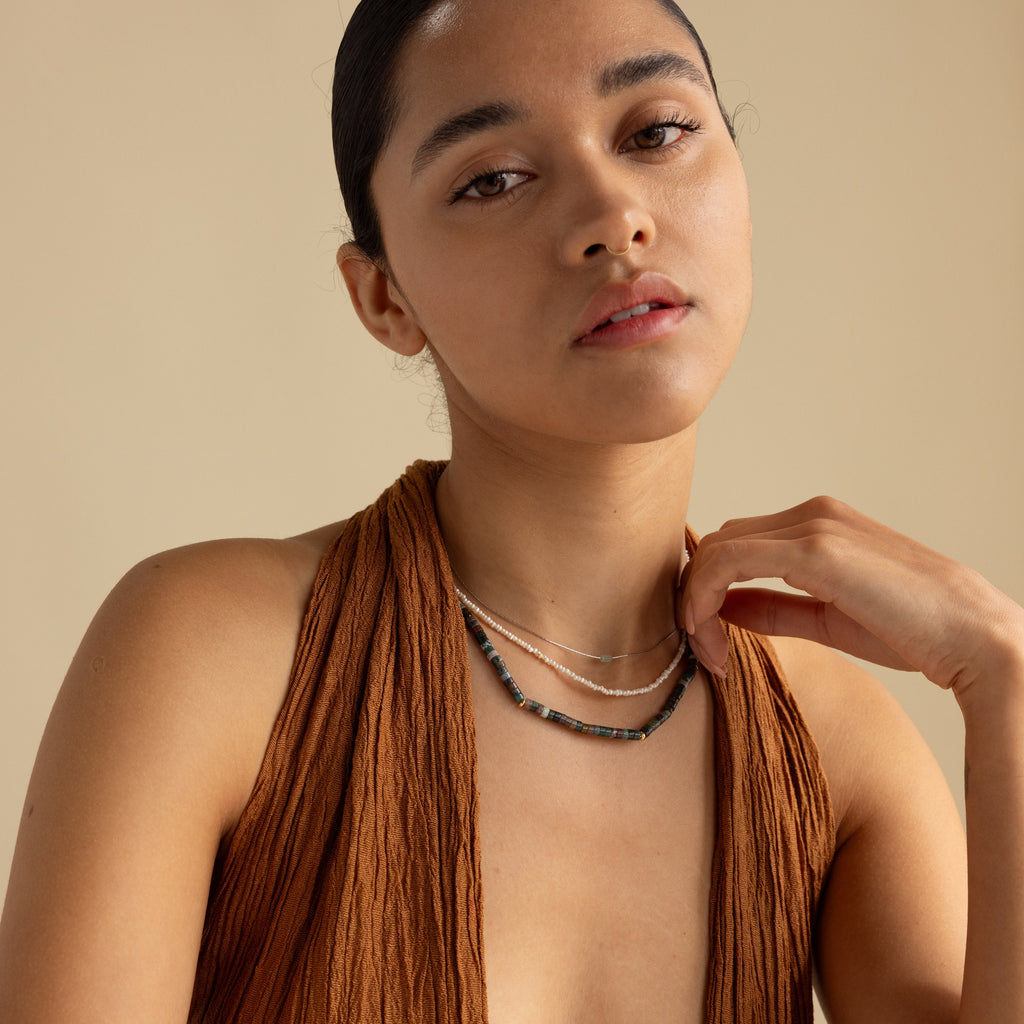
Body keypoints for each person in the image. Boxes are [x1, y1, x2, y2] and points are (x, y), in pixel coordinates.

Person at [0, 0, 1021, 1021]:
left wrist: (1008, 683)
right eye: (492, 178)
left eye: (655, 132)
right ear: (383, 298)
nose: (611, 214)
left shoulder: (834, 743)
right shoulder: (212, 656)